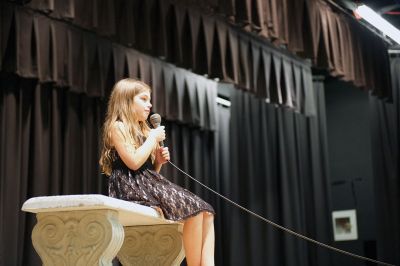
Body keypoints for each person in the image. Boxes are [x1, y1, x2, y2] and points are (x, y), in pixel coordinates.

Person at [99, 78, 215, 266]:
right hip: (129, 186)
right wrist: (152, 138)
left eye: (150, 100)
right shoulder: (117, 127)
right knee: (194, 211)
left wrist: (158, 162)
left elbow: (146, 170)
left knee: (207, 211)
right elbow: (134, 163)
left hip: (145, 181)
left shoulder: (141, 130)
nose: (150, 105)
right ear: (127, 101)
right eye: (144, 99)